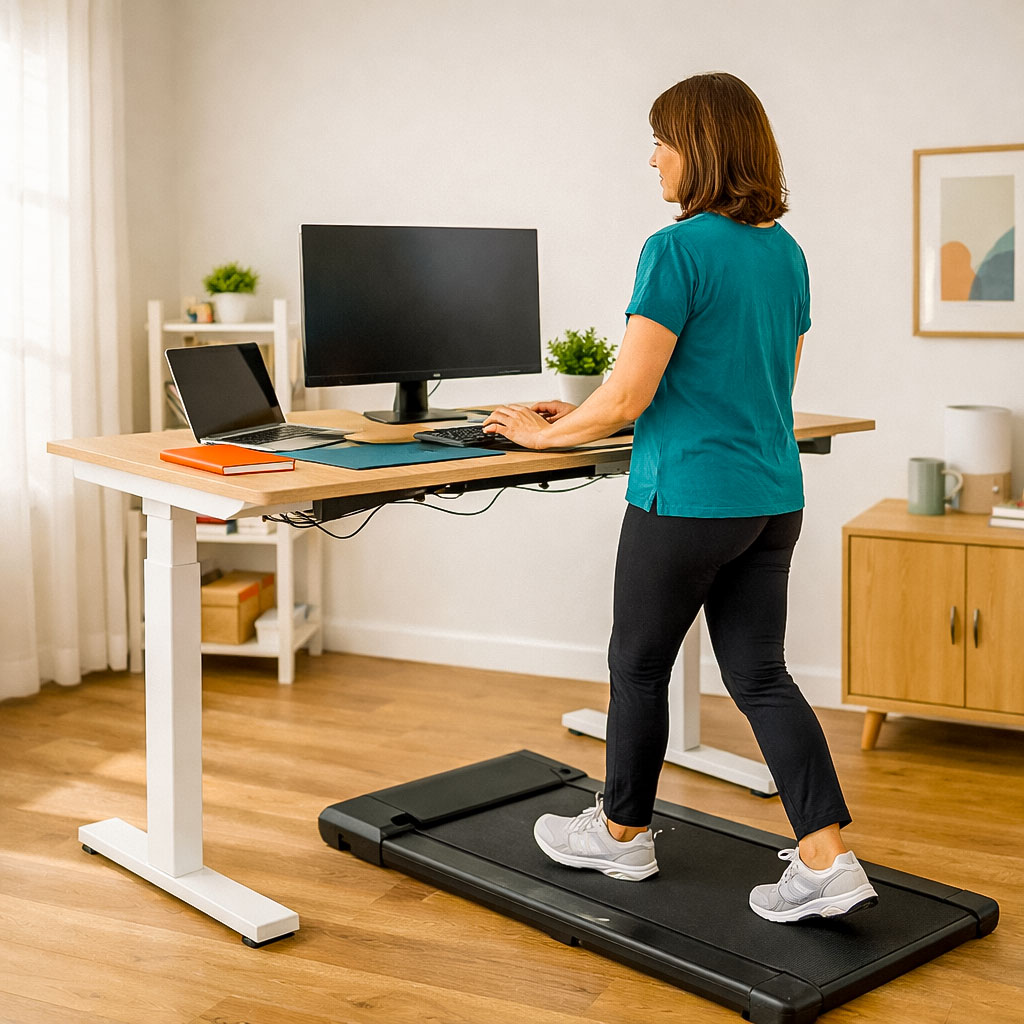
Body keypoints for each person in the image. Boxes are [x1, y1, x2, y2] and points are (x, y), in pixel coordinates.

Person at [482, 72, 878, 923]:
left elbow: (629, 398)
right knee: (761, 675)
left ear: (700, 148)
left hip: (687, 501)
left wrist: (542, 435)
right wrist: (582, 410)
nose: (653, 158)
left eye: (661, 141)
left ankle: (621, 835)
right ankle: (827, 858)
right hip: (771, 498)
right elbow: (769, 383)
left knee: (638, 665)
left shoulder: (676, 250)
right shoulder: (785, 252)